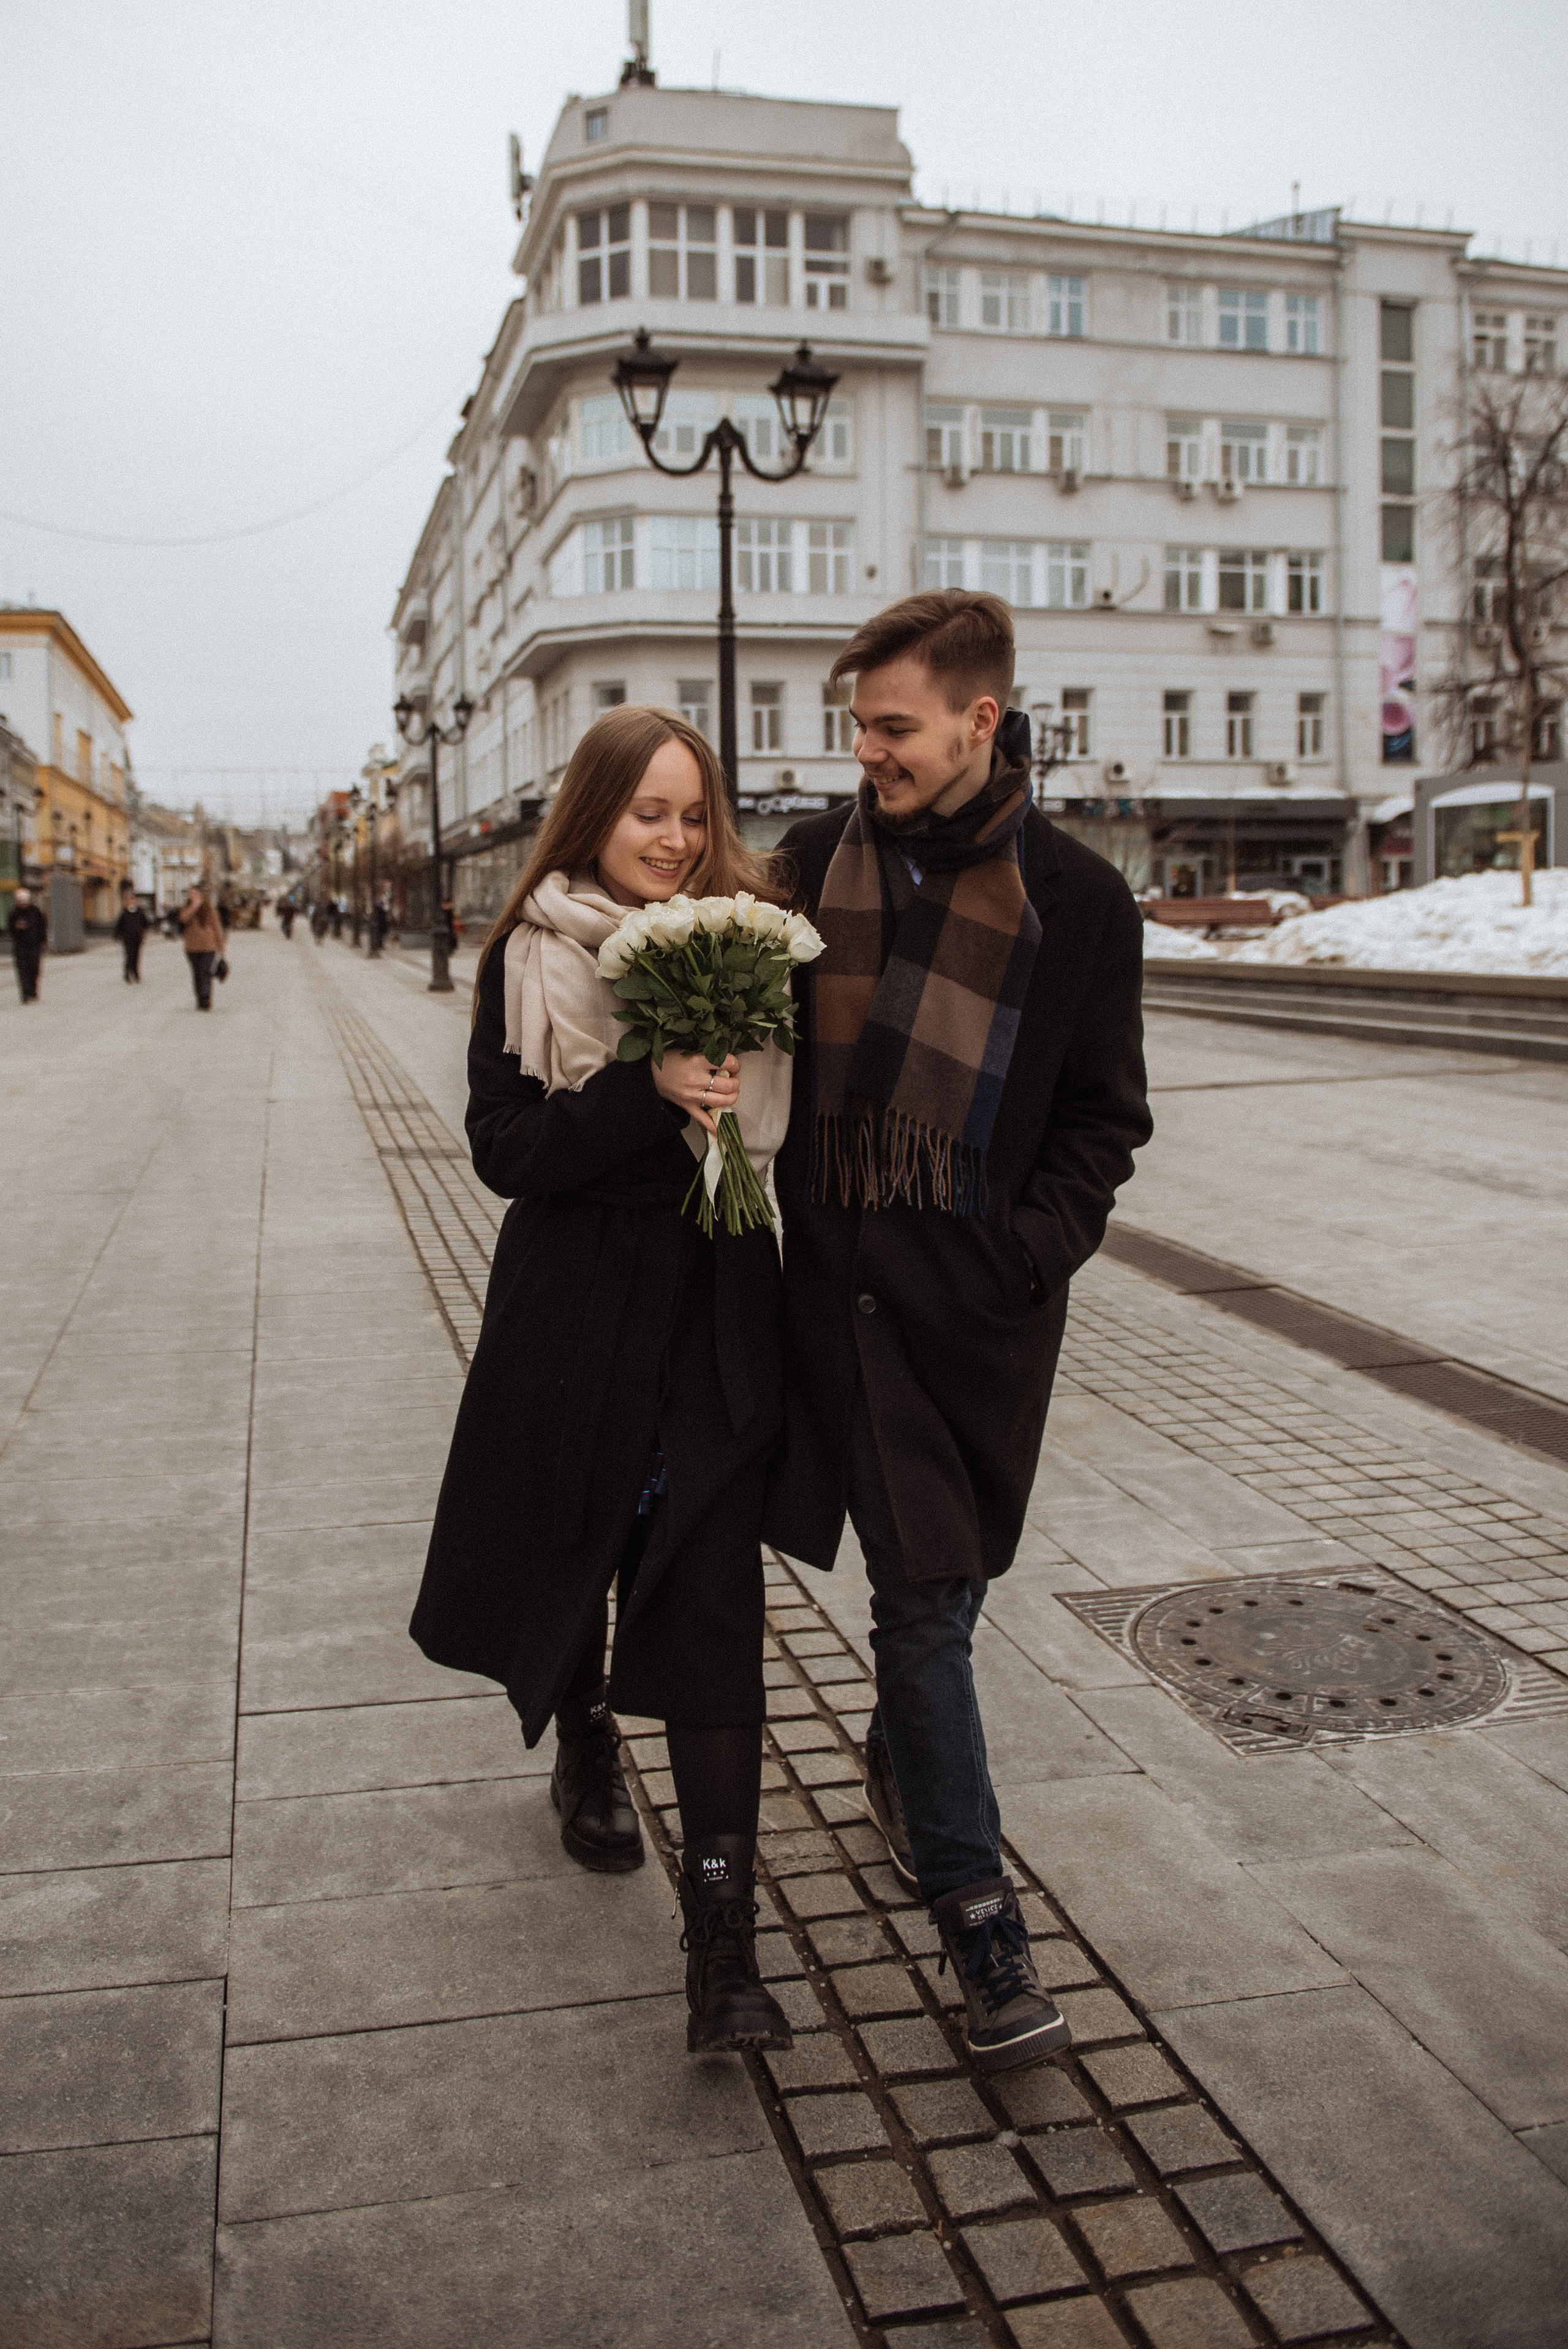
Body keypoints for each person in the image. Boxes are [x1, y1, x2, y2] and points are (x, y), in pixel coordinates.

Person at [766, 591, 1152, 2076]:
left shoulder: (1076, 901)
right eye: (856, 725)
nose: (864, 751)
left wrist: (1019, 1255)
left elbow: (1102, 1120)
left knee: (950, 1586)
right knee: (921, 1603)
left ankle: (901, 1757)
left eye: (891, 726)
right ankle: (981, 1924)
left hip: (976, 1325)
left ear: (979, 720)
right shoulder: (807, 868)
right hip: (833, 1305)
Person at [411, 704, 796, 2056]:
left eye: (694, 813)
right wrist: (648, 1088)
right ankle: (581, 1730)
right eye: (649, 812)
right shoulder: (527, 956)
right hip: (575, 1329)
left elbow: (782, 1136)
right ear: (593, 817)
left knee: (704, 1617)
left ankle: (722, 1951)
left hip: (713, 1330)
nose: (676, 839)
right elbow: (505, 1147)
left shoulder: (750, 942)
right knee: (581, 1551)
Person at [177, 883, 225, 1009]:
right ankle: (199, 999)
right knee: (197, 973)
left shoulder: (209, 908)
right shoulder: (186, 908)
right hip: (192, 948)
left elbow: (217, 927)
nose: (192, 896)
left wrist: (221, 946)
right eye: (190, 893)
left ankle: (206, 999)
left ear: (201, 895)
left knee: (205, 972)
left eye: (195, 893)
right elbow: (183, 919)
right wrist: (194, 907)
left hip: (209, 947)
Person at [9, 887, 46, 1002]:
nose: (23, 904)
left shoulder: (36, 911)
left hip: (35, 945)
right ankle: (25, 994)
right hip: (21, 947)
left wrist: (43, 940)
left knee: (34, 968)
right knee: (23, 970)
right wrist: (17, 928)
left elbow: (42, 926)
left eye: (25, 902)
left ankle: (33, 990)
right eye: (21, 902)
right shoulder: (14, 914)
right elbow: (10, 929)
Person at [113, 887, 150, 982]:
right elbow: (119, 925)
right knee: (129, 956)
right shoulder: (124, 913)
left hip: (137, 938)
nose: (133, 902)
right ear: (128, 902)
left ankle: (136, 974)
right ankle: (127, 974)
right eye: (131, 900)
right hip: (127, 938)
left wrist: (144, 934)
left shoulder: (140, 912)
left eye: (134, 900)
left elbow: (146, 924)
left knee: (136, 957)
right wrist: (116, 937)